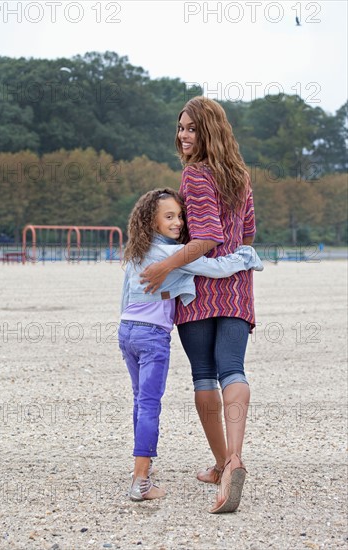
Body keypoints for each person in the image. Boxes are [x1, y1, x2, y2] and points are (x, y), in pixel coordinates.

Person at [139, 97, 259, 513]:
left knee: (206, 374)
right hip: (237, 285)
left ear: (209, 131)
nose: (183, 135)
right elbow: (246, 234)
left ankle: (227, 461)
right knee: (234, 369)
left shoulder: (194, 175)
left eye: (191, 128)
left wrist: (163, 267)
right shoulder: (241, 176)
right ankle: (228, 461)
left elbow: (204, 236)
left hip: (200, 288)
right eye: (180, 127)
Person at [119, 187, 263, 502]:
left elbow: (130, 295)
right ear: (152, 221)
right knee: (149, 404)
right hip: (152, 335)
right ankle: (140, 481)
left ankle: (144, 466)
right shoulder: (172, 256)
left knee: (139, 400)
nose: (179, 223)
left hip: (127, 331)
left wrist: (168, 295)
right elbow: (214, 268)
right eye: (169, 217)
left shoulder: (137, 250)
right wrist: (247, 256)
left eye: (180, 216)